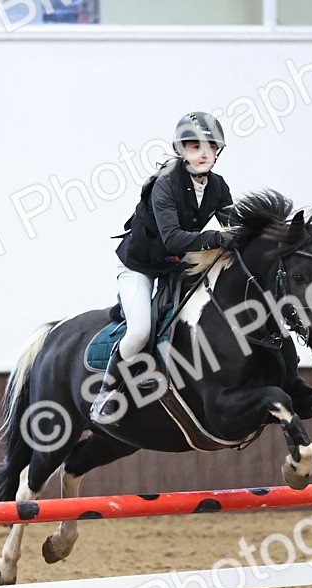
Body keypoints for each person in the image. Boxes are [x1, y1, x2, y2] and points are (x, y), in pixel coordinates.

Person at [90, 111, 239, 425]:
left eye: (209, 146)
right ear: (181, 150)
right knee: (140, 330)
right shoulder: (166, 183)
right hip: (140, 265)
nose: (202, 152)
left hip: (175, 265)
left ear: (217, 151)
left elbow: (234, 228)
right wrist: (217, 237)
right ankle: (106, 392)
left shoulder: (218, 186)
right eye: (193, 145)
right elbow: (172, 238)